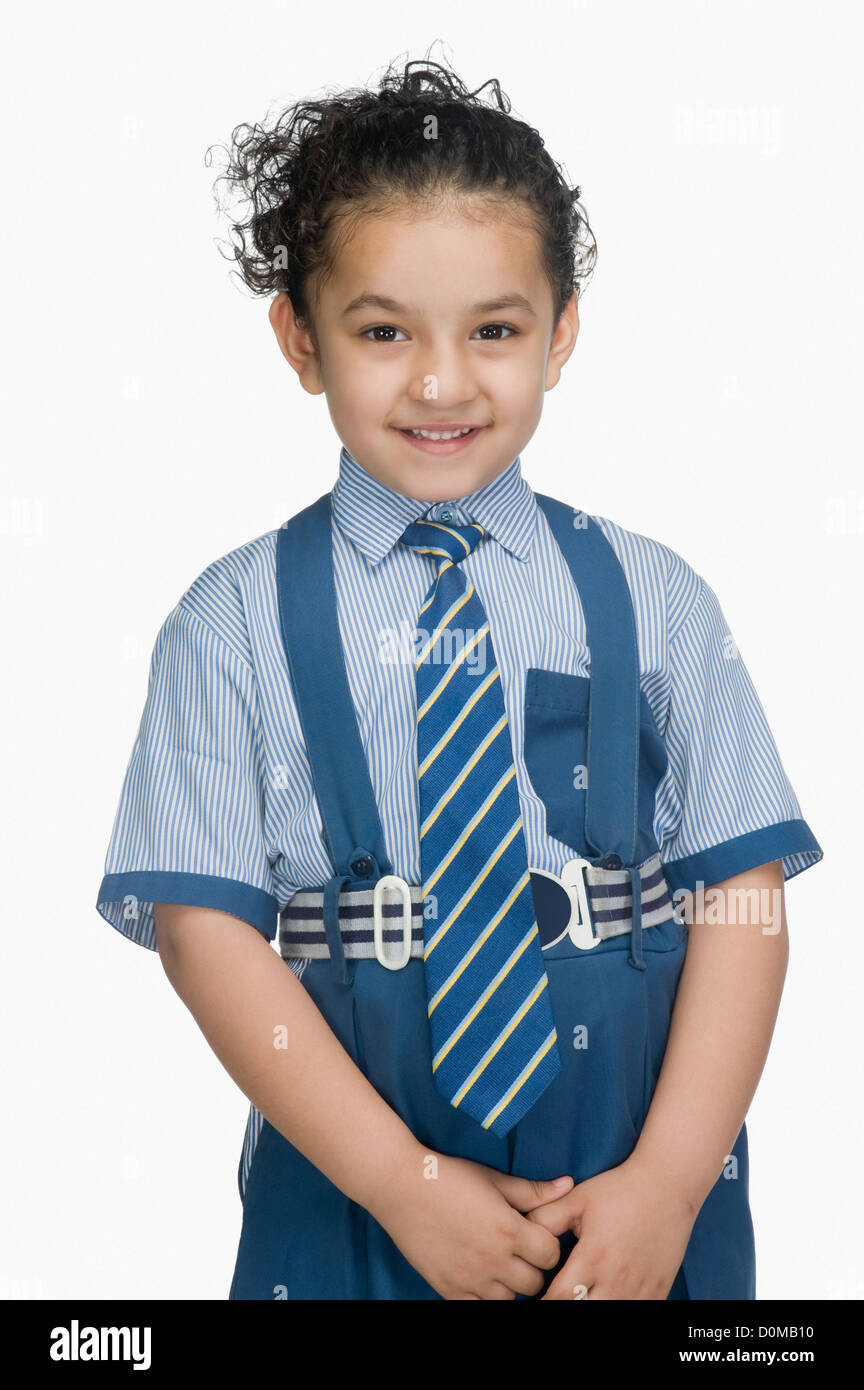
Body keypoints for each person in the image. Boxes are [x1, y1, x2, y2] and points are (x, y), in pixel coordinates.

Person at [96, 53, 823, 1301]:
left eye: (494, 329)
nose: (441, 382)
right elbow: (205, 929)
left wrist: (669, 1182)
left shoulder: (656, 595)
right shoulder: (228, 621)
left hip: (630, 1163)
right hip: (352, 1158)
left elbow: (742, 895)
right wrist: (398, 1181)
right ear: (300, 339)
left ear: (563, 334)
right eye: (383, 332)